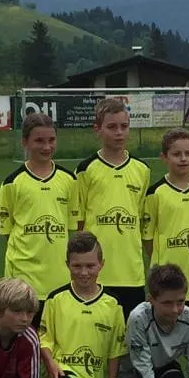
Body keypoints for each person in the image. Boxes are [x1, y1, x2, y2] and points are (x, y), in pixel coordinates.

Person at [35, 232, 126, 378]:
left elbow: (115, 353)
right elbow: (44, 339)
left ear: (101, 264)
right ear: (67, 265)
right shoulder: (56, 300)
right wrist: (50, 364)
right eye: (76, 266)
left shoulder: (113, 305)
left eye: (90, 265)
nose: (84, 272)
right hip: (62, 377)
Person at [75, 98, 151, 320]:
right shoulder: (86, 170)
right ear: (97, 129)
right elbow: (78, 223)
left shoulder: (141, 170)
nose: (119, 132)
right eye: (112, 127)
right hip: (96, 272)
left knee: (131, 341)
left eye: (124, 126)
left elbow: (141, 218)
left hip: (131, 272)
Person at [0, 112, 77, 318]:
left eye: (51, 140)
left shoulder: (69, 180)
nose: (46, 147)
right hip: (24, 278)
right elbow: (8, 232)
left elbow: (72, 227)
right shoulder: (12, 182)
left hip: (59, 277)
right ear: (25, 142)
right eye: (39, 141)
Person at [143, 128, 189, 299]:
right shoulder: (155, 193)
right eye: (176, 154)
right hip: (166, 278)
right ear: (164, 158)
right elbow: (147, 239)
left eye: (188, 153)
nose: (183, 158)